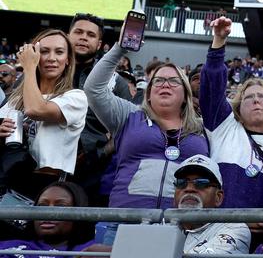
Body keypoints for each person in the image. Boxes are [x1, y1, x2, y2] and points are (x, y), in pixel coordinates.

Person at [83, 21, 209, 245]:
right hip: (125, 220)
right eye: (158, 81)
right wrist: (121, 47)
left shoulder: (202, 128)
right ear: (149, 93)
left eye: (173, 81)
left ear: (186, 94)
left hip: (183, 225)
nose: (165, 85)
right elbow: (93, 88)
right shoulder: (128, 116)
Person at [199, 17, 263, 247]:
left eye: (262, 97)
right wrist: (219, 41)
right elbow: (211, 85)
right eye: (249, 97)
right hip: (213, 237)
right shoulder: (224, 127)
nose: (256, 101)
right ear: (238, 107)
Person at [0, 30, 87, 196]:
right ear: (34, 55)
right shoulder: (15, 100)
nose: (52, 58)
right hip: (10, 182)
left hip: (48, 187)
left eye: (59, 52)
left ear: (68, 60)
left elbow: (36, 109)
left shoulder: (75, 97)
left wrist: (29, 68)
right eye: (44, 51)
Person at [68, 13, 130, 205]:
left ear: (99, 43)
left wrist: (101, 152)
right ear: (66, 35)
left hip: (93, 171)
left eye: (90, 35)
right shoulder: (46, 72)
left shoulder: (115, 82)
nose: (83, 37)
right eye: (78, 32)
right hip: (42, 166)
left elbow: (130, 128)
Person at [175, 155, 251, 253]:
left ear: (218, 197)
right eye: (181, 183)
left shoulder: (236, 228)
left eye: (201, 183)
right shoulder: (160, 226)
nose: (189, 188)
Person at [0, 182, 96, 256]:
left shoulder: (92, 251)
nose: (49, 213)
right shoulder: (8, 247)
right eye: (42, 205)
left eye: (60, 206)